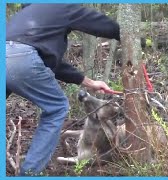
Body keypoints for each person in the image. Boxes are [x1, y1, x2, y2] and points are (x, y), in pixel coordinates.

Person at [6, 3, 120, 176]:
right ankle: (29, 173)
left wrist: (90, 83)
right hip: (21, 59)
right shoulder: (61, 6)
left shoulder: (29, 17)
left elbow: (53, 66)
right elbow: (104, 25)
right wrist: (128, 35)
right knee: (57, 107)